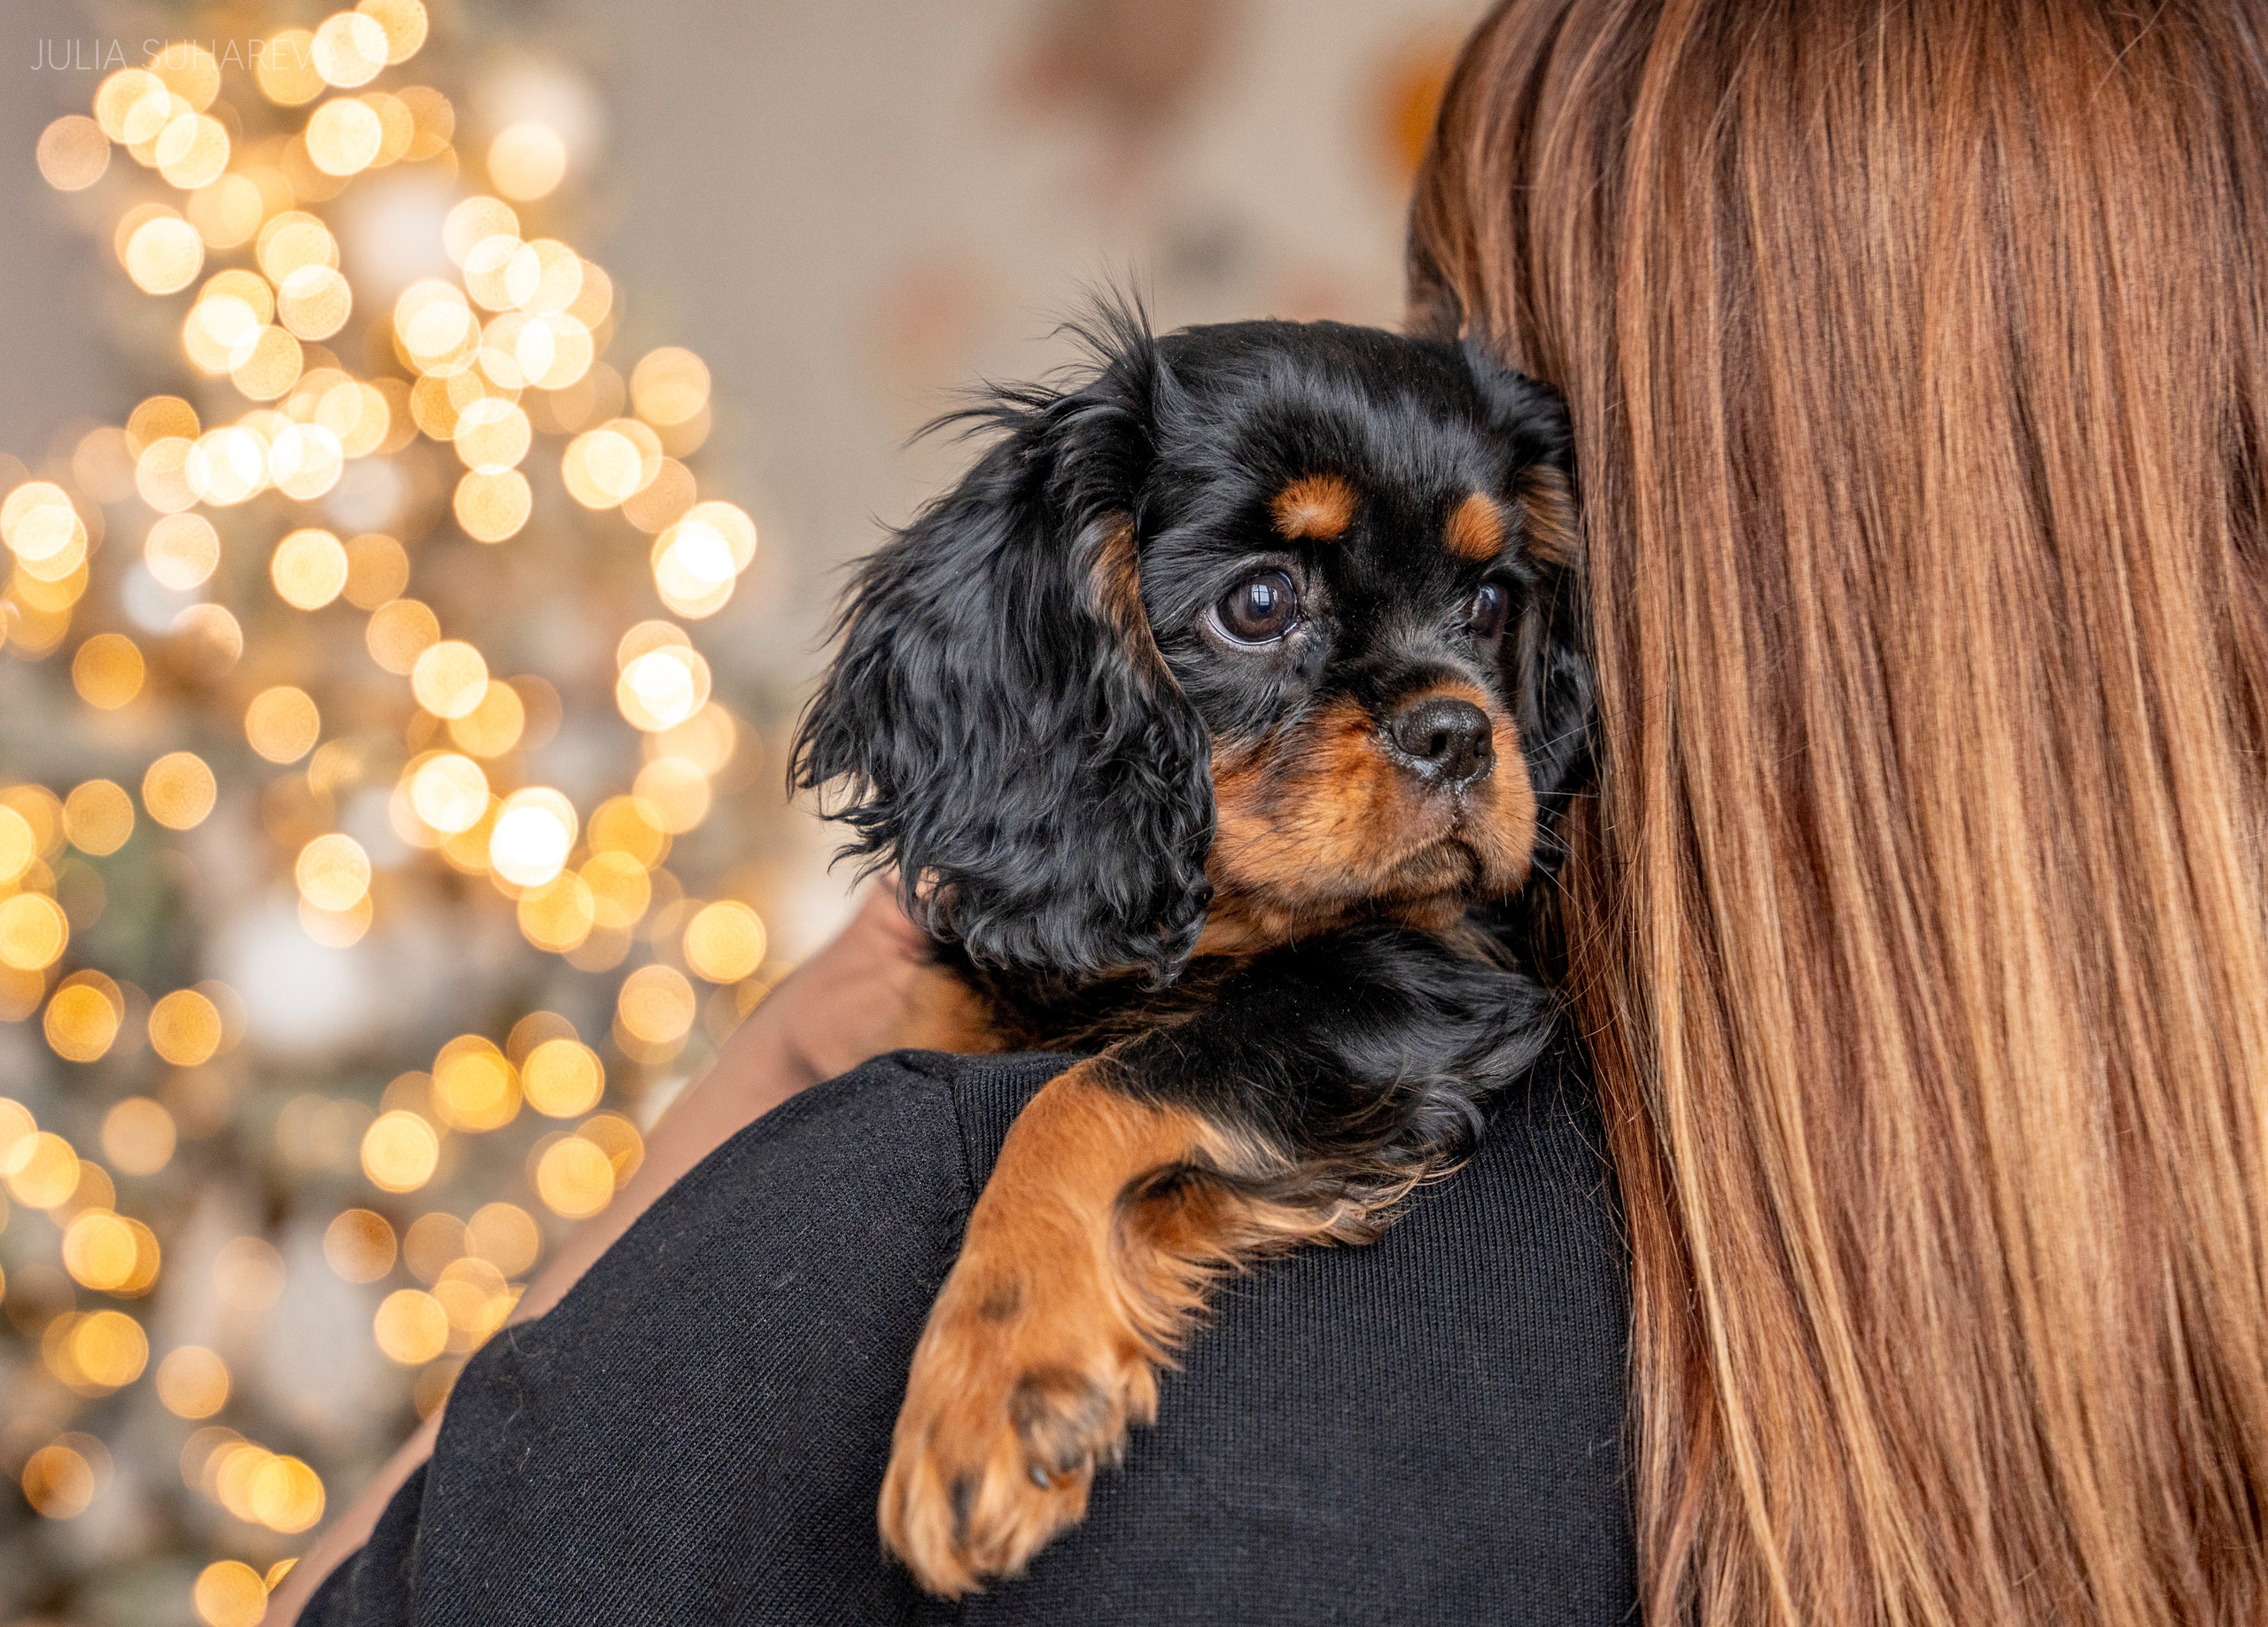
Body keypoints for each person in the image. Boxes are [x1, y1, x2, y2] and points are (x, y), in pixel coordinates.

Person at [285, 1, 2268, 1622]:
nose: (1442, 708)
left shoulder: (915, 1233)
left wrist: (744, 1117)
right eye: (1262, 604)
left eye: (1483, 606)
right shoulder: (2150, 1264)